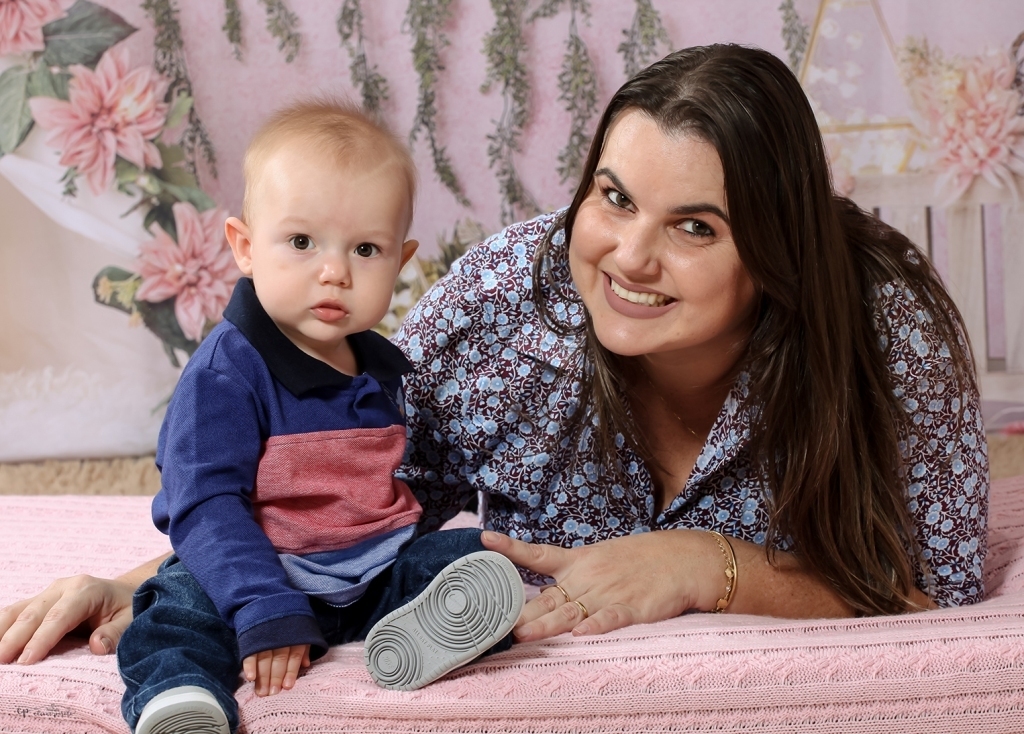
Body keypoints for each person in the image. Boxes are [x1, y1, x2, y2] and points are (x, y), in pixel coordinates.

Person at [0, 44, 988, 670]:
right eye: (612, 198)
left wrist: (707, 565)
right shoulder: (503, 306)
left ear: (773, 253)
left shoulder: (884, 332)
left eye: (695, 226)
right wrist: (159, 581)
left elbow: (933, 582)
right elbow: (353, 492)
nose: (629, 257)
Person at [110, 98, 524, 734]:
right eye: (301, 242)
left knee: (468, 553)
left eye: (366, 249)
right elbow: (203, 506)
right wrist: (263, 605)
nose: (335, 272)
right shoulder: (226, 373)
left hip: (370, 573)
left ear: (401, 263)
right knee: (175, 607)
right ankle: (181, 695)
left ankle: (415, 637)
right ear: (245, 247)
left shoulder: (380, 368)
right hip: (258, 574)